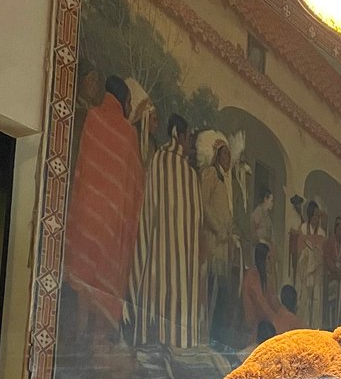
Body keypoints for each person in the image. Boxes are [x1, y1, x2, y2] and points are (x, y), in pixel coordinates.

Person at [64, 74, 145, 346]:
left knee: (85, 276)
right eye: (129, 101)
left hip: (87, 214)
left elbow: (82, 166)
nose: (130, 106)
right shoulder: (128, 132)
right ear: (123, 99)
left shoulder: (93, 117)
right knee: (105, 279)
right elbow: (135, 182)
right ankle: (96, 339)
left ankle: (80, 333)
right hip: (111, 221)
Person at [127, 113, 206, 353]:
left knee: (159, 291)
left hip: (159, 251)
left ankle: (157, 343)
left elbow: (151, 208)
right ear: (179, 136)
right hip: (177, 256)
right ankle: (172, 342)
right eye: (188, 137)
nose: (189, 143)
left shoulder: (159, 161)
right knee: (173, 292)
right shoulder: (187, 173)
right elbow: (196, 220)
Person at [197, 131, 237, 347]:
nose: (228, 159)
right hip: (212, 242)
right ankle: (206, 335)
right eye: (225, 154)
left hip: (223, 245)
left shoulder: (226, 180)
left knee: (220, 290)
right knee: (210, 288)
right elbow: (203, 204)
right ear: (217, 156)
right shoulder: (211, 174)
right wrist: (218, 228)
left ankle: (216, 337)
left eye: (230, 155)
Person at [240, 242, 297, 341]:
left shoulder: (265, 278)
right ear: (262, 259)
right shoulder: (252, 276)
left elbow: (273, 300)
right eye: (268, 258)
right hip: (255, 328)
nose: (271, 262)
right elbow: (261, 302)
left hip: (266, 323)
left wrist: (286, 316)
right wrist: (276, 321)